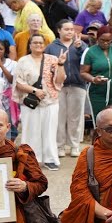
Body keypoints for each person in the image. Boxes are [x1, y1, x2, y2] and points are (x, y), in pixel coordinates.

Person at [14, 32, 66, 170]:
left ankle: (50, 159)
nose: (38, 45)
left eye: (41, 43)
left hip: (50, 101)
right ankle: (30, 159)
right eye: (35, 42)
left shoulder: (52, 59)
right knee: (30, 131)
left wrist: (60, 64)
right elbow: (18, 83)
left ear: (45, 45)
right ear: (30, 45)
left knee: (49, 130)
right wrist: (34, 91)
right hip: (30, 101)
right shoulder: (23, 61)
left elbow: (60, 80)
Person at [46, 20, 89, 158]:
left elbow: (88, 61)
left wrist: (80, 48)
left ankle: (74, 145)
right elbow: (47, 68)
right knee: (59, 117)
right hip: (58, 87)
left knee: (75, 117)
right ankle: (59, 146)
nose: (70, 32)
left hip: (78, 85)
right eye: (66, 29)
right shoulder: (51, 47)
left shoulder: (81, 45)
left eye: (72, 29)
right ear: (59, 30)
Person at [80, 25, 112, 120]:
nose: (105, 43)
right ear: (97, 37)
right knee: (99, 120)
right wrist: (93, 79)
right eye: (102, 40)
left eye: (109, 41)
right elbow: (83, 72)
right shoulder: (90, 52)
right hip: (97, 91)